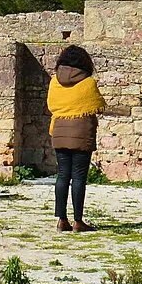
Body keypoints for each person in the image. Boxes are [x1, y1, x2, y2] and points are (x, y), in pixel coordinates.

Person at [47, 44, 102, 232]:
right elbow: (98, 104)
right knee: (78, 177)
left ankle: (61, 220)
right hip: (81, 133)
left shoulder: (54, 81)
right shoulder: (88, 82)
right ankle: (78, 221)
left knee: (62, 175)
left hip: (60, 131)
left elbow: (51, 104)